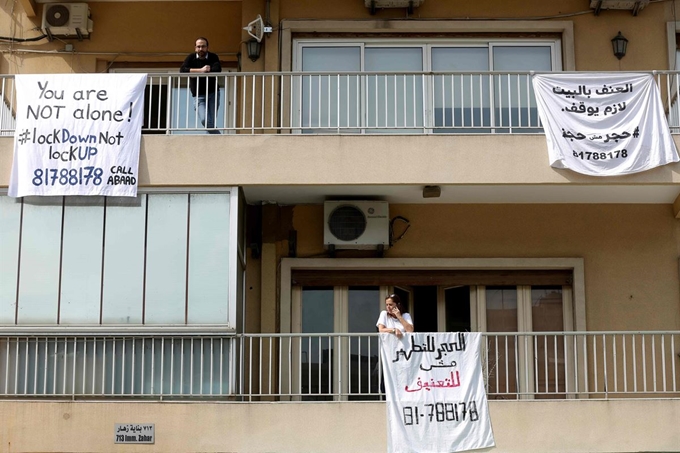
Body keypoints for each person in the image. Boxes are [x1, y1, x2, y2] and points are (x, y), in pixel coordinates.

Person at [180, 37, 222, 134]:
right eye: (198, 46)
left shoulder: (213, 57)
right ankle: (220, 138)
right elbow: (182, 70)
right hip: (198, 95)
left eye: (203, 46)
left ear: (207, 47)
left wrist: (195, 72)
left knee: (211, 121)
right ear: (195, 48)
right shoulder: (191, 57)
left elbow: (217, 69)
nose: (201, 49)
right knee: (205, 120)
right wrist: (201, 70)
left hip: (213, 93)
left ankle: (212, 142)